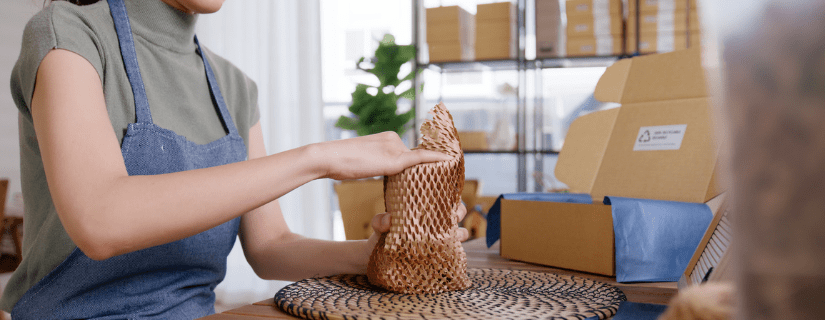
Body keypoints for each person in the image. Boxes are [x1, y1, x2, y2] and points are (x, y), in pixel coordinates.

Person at [1, 0, 468, 318]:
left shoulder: (233, 85)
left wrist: (371, 257)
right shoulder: (66, 36)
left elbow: (270, 247)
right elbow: (101, 219)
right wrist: (320, 158)